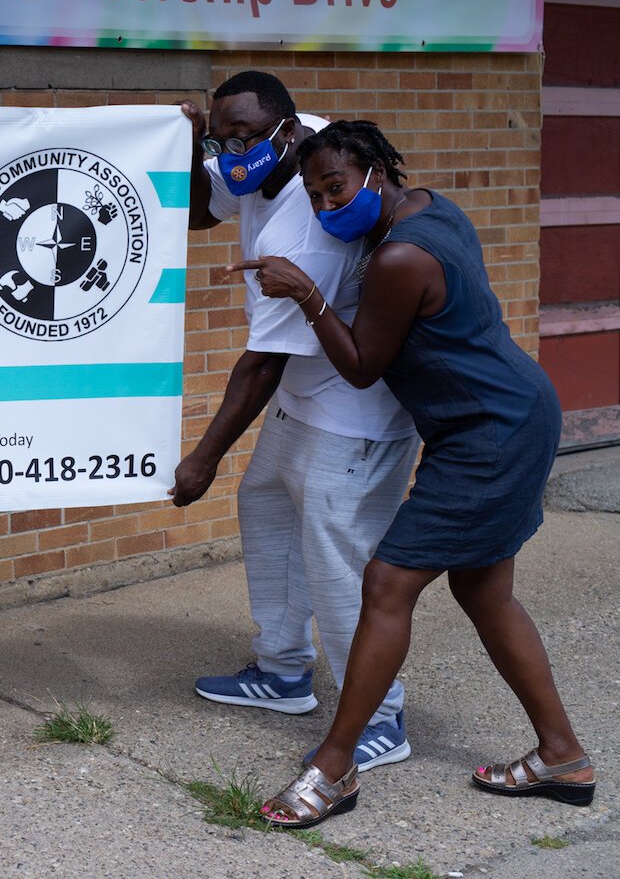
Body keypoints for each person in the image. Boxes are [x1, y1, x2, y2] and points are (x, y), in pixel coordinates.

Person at [237, 120, 595, 828]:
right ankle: (562, 755)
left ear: (376, 171)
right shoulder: (431, 206)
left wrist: (307, 293)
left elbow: (362, 366)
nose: (326, 205)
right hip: (510, 412)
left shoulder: (401, 257)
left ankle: (334, 767)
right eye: (314, 195)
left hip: (488, 435)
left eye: (336, 187)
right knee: (485, 592)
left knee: (386, 583)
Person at [173, 72, 420, 772]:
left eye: (244, 139)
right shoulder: (280, 142)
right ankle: (282, 672)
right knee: (268, 510)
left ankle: (381, 718)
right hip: (306, 396)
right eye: (224, 139)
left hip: (355, 415)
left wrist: (203, 458)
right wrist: (195, 147)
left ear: (283, 131)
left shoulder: (304, 232)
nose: (234, 153)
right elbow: (202, 211)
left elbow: (261, 366)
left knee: (338, 562)